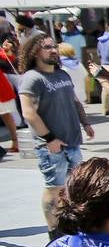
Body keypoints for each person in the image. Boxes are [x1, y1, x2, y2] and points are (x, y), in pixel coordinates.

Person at [20, 34, 94, 232]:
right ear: (35, 52)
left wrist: (85, 123)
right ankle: (54, 232)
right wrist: (49, 138)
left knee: (73, 188)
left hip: (72, 142)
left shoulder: (62, 74)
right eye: (47, 47)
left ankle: (68, 226)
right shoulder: (32, 78)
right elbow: (28, 112)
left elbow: (75, 101)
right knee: (54, 188)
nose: (53, 50)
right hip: (51, 146)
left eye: (54, 46)